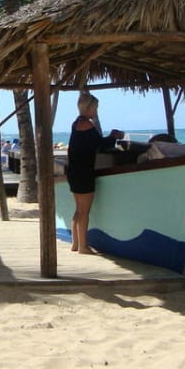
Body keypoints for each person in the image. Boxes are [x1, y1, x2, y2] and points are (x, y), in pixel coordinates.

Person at [66, 92, 125, 255]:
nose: (97, 111)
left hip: (74, 170)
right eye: (96, 107)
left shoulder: (76, 123)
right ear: (89, 107)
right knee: (84, 211)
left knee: (78, 209)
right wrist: (114, 136)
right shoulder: (87, 125)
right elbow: (101, 144)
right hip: (84, 171)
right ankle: (84, 247)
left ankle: (76, 244)